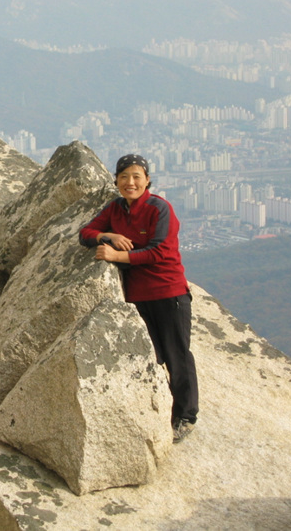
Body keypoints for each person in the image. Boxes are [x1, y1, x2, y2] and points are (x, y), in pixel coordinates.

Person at [79, 154, 198, 443]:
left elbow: (160, 251)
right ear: (116, 181)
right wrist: (106, 235)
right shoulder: (116, 208)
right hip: (137, 297)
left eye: (136, 176)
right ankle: (163, 412)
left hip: (169, 293)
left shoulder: (159, 208)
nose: (130, 182)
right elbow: (85, 234)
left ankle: (186, 416)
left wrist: (118, 255)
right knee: (153, 356)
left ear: (147, 180)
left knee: (176, 355)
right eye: (124, 177)